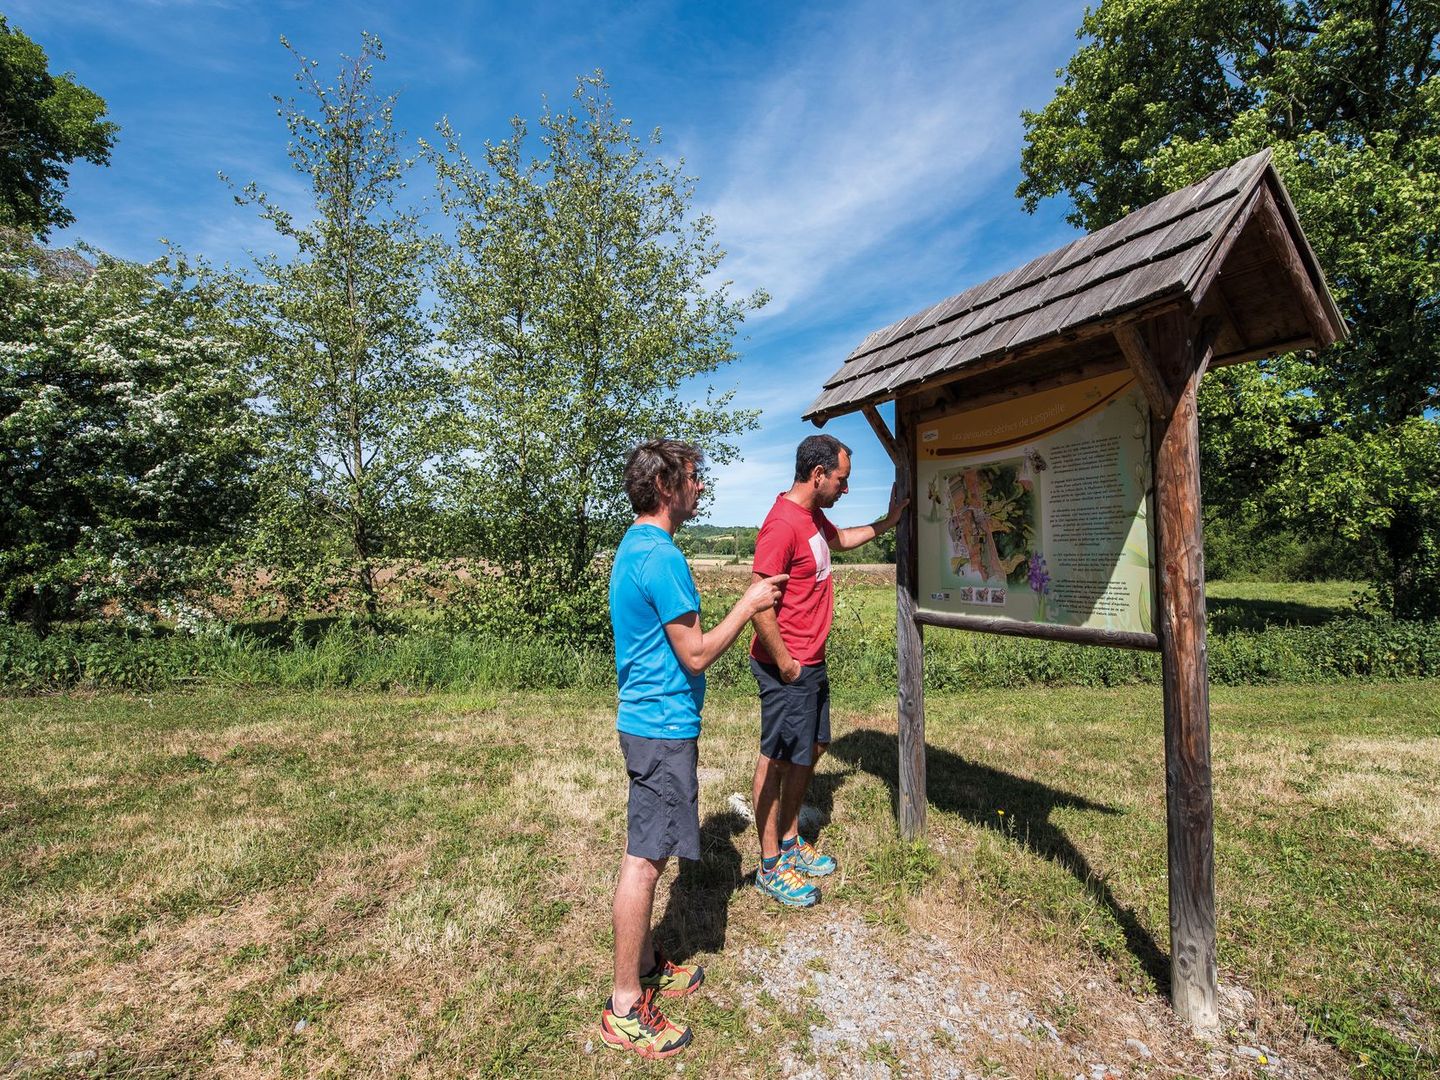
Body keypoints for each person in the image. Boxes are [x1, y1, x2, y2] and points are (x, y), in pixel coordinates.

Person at [601, 438, 787, 1059]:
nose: (700, 488)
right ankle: (626, 1005)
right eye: (692, 479)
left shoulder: (637, 547)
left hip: (651, 721)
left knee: (650, 848)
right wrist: (751, 602)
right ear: (665, 486)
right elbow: (699, 652)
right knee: (646, 857)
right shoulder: (662, 558)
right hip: (659, 727)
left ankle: (649, 964)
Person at [749, 434, 906, 907]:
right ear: (818, 475)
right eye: (842, 480)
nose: (845, 489)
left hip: (810, 663)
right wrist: (786, 663)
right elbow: (759, 605)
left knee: (812, 747)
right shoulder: (781, 525)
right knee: (776, 758)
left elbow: (843, 540)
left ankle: (792, 839)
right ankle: (770, 864)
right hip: (787, 666)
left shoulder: (812, 517)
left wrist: (889, 522)